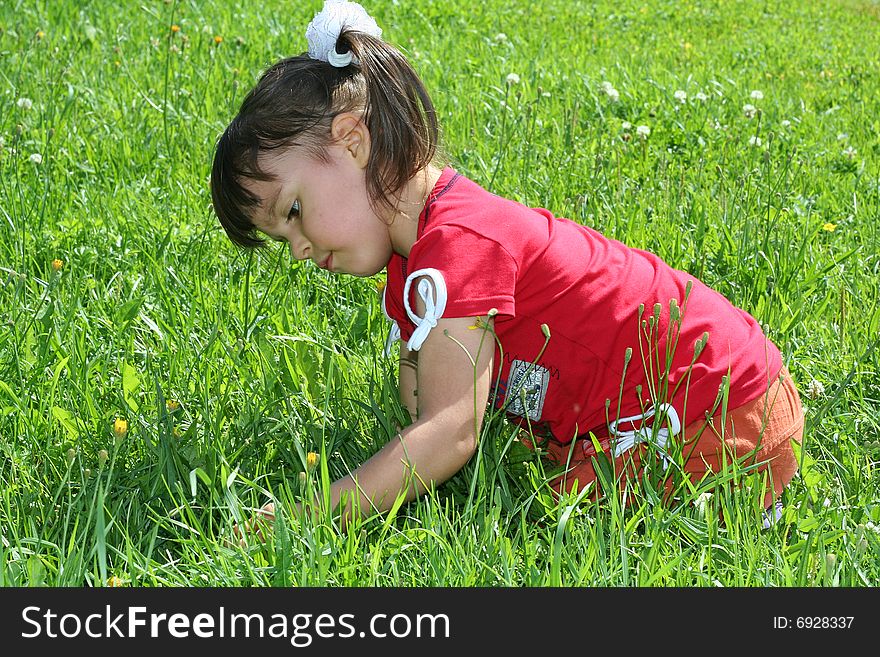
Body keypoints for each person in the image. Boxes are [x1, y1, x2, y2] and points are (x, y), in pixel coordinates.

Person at [210, 0, 804, 534]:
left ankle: (752, 501)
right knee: (530, 496)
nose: (298, 250)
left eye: (293, 211)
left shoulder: (461, 242)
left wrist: (314, 512)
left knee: (558, 523)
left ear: (351, 142)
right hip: (709, 397)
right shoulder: (416, 264)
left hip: (722, 407)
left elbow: (449, 430)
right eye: (279, 237)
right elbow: (421, 411)